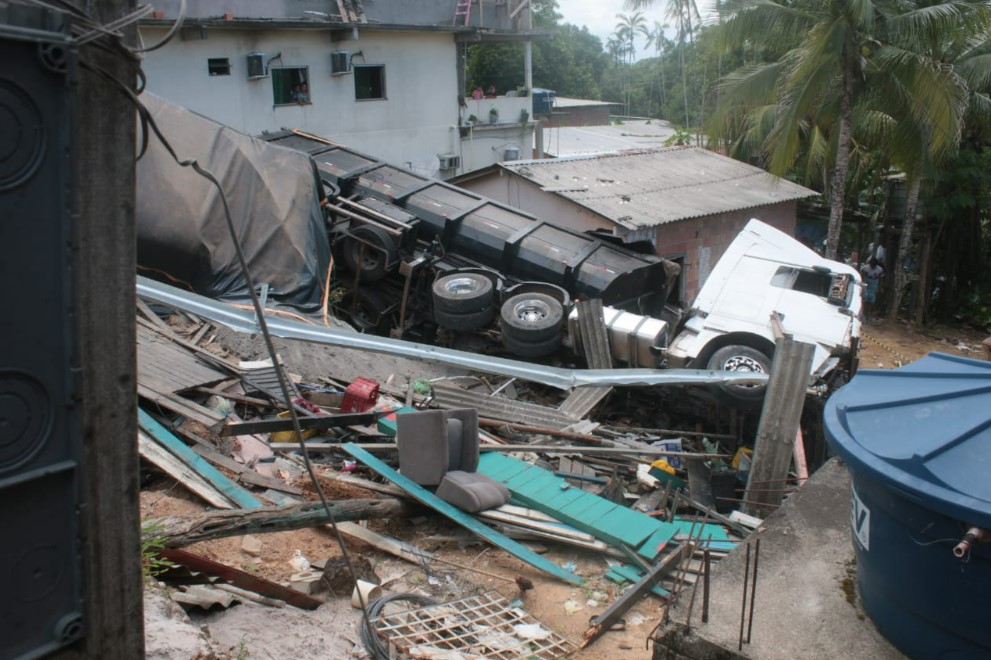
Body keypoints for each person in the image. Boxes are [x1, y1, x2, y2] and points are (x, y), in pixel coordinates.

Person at [860, 257, 884, 321]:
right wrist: (861, 284)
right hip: (865, 284)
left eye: (874, 265)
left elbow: (881, 279)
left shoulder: (879, 270)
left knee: (871, 301)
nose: (872, 266)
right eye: (871, 265)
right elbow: (861, 275)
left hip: (874, 285)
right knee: (864, 299)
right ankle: (863, 314)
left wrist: (879, 287)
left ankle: (869, 314)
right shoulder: (865, 268)